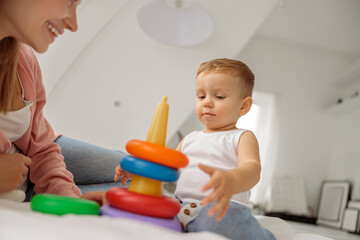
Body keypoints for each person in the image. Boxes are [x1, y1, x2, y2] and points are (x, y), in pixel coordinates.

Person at [114, 58, 275, 239]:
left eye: (219, 96)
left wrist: (233, 178)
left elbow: (253, 169)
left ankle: (264, 236)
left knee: (217, 221)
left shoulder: (242, 137)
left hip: (221, 207)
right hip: (181, 205)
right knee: (147, 208)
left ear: (243, 106)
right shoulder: (190, 139)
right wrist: (139, 172)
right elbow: (164, 170)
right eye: (201, 96)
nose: (207, 102)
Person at [0, 0, 126, 204]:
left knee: (136, 174)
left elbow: (41, 146)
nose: (73, 25)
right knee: (130, 191)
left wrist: (71, 200)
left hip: (37, 160)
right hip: (21, 189)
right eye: (69, 2)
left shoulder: (22, 57)